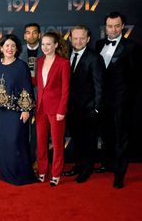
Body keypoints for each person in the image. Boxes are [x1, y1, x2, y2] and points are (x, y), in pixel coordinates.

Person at [0, 34, 36, 185]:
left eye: (13, 46)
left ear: (17, 48)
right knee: (4, 143)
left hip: (16, 112)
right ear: (1, 48)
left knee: (16, 142)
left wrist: (26, 110)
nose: (10, 49)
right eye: (7, 46)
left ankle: (20, 174)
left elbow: (27, 87)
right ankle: (6, 174)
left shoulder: (21, 66)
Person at [95, 12, 142, 189]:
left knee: (122, 138)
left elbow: (136, 77)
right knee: (106, 135)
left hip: (122, 102)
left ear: (123, 26)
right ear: (105, 27)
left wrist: (128, 99)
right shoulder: (99, 44)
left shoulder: (132, 47)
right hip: (102, 101)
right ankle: (108, 164)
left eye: (117, 26)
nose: (113, 29)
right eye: (110, 26)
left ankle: (119, 174)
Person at [62, 25, 104, 183]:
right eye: (75, 38)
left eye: (82, 38)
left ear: (88, 39)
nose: (78, 41)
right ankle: (78, 166)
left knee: (88, 142)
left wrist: (97, 109)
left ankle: (86, 170)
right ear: (71, 39)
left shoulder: (94, 58)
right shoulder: (67, 56)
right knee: (77, 140)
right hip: (72, 108)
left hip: (89, 109)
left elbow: (99, 86)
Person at [34, 31, 70, 186]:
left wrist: (62, 110)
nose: (45, 47)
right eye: (43, 44)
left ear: (56, 45)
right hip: (40, 108)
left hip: (56, 110)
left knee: (56, 143)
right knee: (41, 142)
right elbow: (38, 81)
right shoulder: (39, 61)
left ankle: (56, 173)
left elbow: (65, 89)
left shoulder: (63, 63)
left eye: (48, 44)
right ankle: (42, 171)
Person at [19, 23, 43, 167]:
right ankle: (22, 160)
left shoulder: (47, 49)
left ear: (39, 35)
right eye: (28, 33)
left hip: (42, 97)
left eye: (35, 32)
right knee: (21, 131)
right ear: (24, 36)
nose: (31, 35)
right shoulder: (17, 51)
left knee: (38, 133)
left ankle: (37, 160)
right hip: (22, 98)